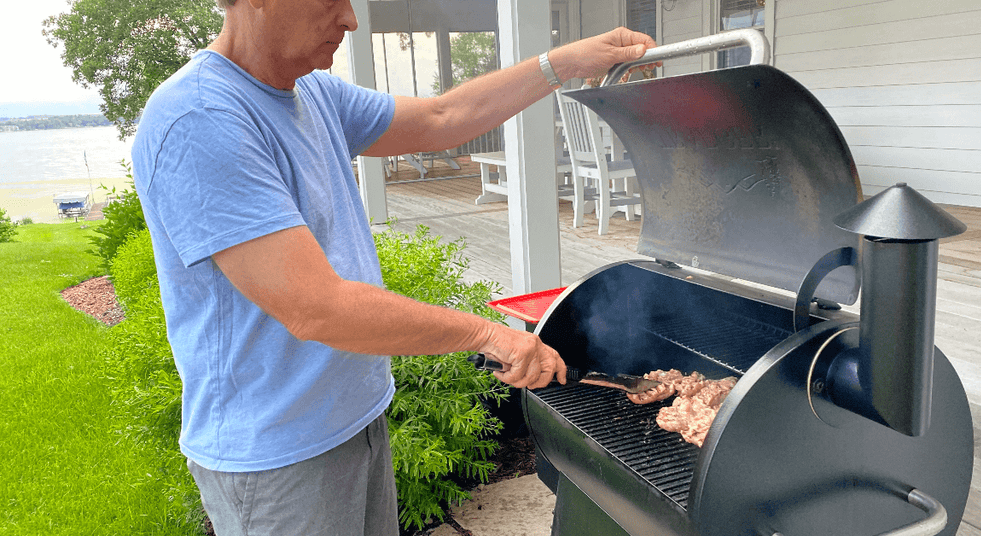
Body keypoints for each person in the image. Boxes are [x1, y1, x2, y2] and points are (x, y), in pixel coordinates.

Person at [130, 0, 657, 534]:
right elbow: (318, 309)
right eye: (331, 0)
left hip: (355, 420)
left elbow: (441, 118)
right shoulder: (201, 118)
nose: (351, 20)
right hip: (277, 456)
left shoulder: (312, 91)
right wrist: (485, 334)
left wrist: (565, 63)